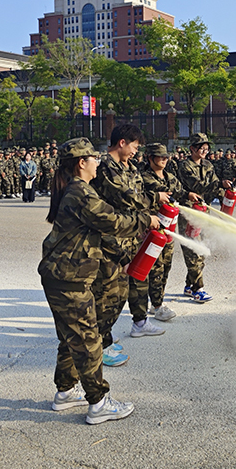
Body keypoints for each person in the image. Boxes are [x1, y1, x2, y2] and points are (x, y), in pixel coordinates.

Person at [38, 137, 156, 425]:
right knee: (88, 340)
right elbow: (113, 222)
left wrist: (122, 255)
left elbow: (101, 233)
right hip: (68, 278)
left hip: (64, 275)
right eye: (94, 158)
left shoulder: (78, 189)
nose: (98, 162)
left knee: (71, 337)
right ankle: (98, 403)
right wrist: (146, 220)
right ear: (82, 163)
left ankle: (66, 391)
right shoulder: (80, 192)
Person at [91, 125, 164, 350]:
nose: (136, 151)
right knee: (108, 294)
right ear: (122, 142)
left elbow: (137, 197)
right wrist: (155, 199)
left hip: (132, 236)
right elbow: (127, 198)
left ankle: (135, 324)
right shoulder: (105, 167)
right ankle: (99, 344)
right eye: (134, 146)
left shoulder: (130, 167)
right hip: (111, 240)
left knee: (129, 287)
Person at [140, 143, 200, 321]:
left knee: (166, 266)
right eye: (160, 157)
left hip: (168, 230)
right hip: (152, 229)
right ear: (150, 158)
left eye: (166, 157)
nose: (164, 160)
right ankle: (157, 306)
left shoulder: (170, 177)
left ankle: (156, 302)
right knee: (155, 267)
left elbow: (179, 191)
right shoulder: (143, 178)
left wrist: (189, 195)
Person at [178, 133, 232, 302]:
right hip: (189, 213)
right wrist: (219, 184)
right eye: (201, 148)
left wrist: (226, 195)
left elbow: (215, 185)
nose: (204, 151)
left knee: (203, 250)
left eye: (206, 148)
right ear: (192, 148)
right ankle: (197, 288)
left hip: (204, 212)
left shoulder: (208, 165)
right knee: (193, 250)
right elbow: (197, 186)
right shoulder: (184, 166)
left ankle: (189, 285)